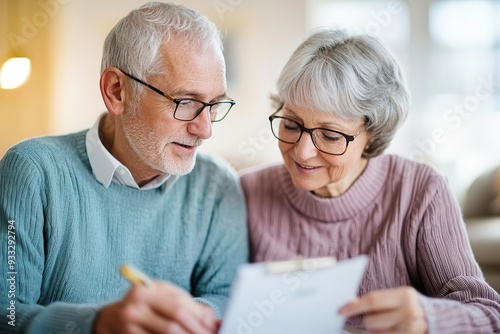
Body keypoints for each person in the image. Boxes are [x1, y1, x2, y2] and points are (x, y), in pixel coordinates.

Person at [0, 2, 248, 333]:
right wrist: (97, 324)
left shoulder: (218, 185)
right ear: (117, 92)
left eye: (214, 105)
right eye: (185, 102)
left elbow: (228, 298)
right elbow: (7, 312)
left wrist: (181, 316)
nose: (205, 130)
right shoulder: (32, 171)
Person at [240, 28, 500, 333]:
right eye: (291, 124)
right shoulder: (248, 191)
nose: (302, 152)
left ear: (373, 133)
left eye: (330, 135)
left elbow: (488, 313)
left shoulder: (420, 190)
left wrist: (429, 318)